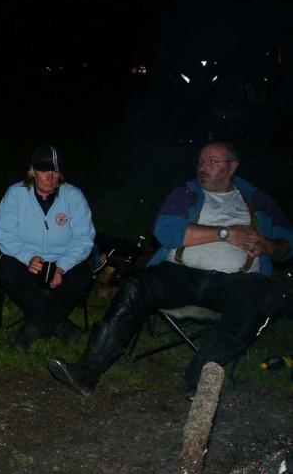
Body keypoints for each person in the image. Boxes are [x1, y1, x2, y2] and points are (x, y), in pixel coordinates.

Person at [48, 142, 292, 397]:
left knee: (258, 298)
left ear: (232, 166)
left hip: (234, 282)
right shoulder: (186, 194)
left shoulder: (258, 202)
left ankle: (199, 382)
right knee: (136, 286)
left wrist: (269, 246)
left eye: (212, 162)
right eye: (200, 161)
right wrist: (225, 234)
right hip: (181, 274)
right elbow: (166, 231)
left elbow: (288, 243)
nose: (202, 168)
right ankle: (87, 371)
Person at [0, 145, 97, 355]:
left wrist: (63, 266)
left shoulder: (73, 196)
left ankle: (28, 333)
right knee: (7, 270)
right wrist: (28, 257)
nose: (50, 177)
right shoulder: (16, 194)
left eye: (56, 171)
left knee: (82, 276)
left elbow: (83, 238)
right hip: (26, 261)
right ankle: (60, 325)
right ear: (32, 171)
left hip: (62, 260)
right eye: (44, 170)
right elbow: (3, 232)